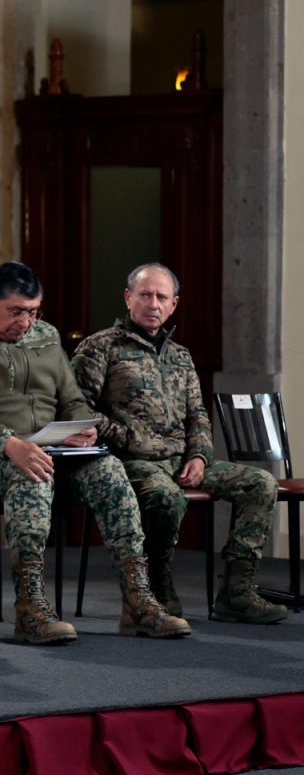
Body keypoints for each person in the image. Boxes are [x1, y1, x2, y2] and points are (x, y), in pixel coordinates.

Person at [0, 261, 189, 643]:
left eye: (33, 312)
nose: (26, 322)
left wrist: (81, 429)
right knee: (29, 470)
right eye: (15, 311)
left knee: (109, 471)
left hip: (47, 452)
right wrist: (10, 443)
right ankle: (30, 607)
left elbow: (73, 401)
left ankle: (139, 601)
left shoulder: (46, 337)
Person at [72, 263, 286, 624]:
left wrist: (200, 456)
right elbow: (79, 410)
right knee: (165, 497)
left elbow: (198, 416)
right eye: (144, 295)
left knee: (261, 483)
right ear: (128, 298)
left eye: (161, 297)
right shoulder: (101, 348)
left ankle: (236, 591)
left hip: (181, 461)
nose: (152, 303)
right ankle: (157, 583)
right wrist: (129, 438)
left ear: (174, 304)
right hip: (132, 463)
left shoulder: (181, 357)